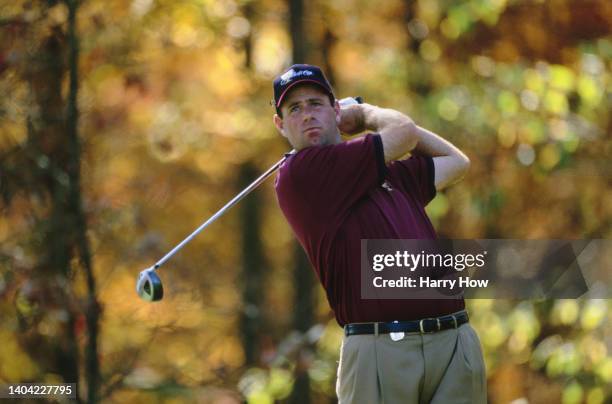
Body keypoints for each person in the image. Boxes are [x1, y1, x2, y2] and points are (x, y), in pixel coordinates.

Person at [272, 64, 486, 403]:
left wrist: (385, 128)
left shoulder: (385, 173)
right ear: (281, 125)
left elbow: (456, 161)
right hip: (381, 350)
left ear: (334, 110)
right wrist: (367, 113)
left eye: (316, 103)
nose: (307, 115)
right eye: (294, 109)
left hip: (452, 341)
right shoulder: (300, 175)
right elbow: (403, 132)